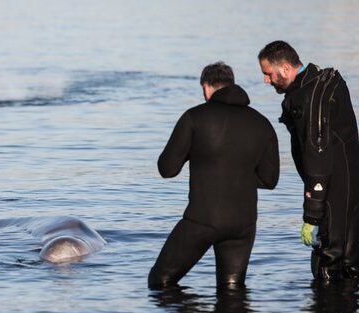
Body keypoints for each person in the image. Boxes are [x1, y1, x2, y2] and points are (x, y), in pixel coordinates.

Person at [148, 62, 279, 289]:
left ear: (206, 88)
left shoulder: (194, 118)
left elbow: (167, 169)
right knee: (231, 291)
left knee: (160, 282)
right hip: (244, 224)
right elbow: (270, 180)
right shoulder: (262, 124)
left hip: (203, 219)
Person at [258, 41, 359, 280]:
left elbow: (318, 154)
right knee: (350, 261)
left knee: (329, 261)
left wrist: (311, 216)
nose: (266, 80)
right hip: (349, 187)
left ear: (284, 68)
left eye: (268, 74)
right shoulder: (322, 83)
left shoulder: (310, 99)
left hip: (331, 191)